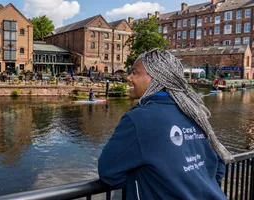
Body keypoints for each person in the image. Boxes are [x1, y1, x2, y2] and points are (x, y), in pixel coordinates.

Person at [98, 49, 232, 200]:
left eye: (134, 72)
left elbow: (108, 172)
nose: (129, 77)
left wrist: (142, 181)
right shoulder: (194, 111)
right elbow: (219, 163)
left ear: (155, 78)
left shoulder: (139, 118)